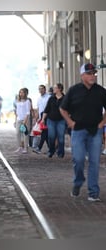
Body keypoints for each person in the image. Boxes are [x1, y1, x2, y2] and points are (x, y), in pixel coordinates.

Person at [60, 63, 106, 202]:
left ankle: (93, 192)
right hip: (78, 130)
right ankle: (78, 181)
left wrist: (102, 123)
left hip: (95, 131)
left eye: (94, 73)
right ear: (82, 75)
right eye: (89, 73)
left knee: (94, 161)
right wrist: (70, 122)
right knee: (78, 159)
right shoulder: (74, 91)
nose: (93, 76)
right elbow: (63, 109)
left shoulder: (100, 91)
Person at [41, 83, 66, 158]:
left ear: (59, 89)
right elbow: (47, 109)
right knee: (51, 136)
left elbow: (68, 109)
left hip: (61, 120)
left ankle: (61, 152)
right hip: (51, 120)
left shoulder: (65, 98)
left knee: (61, 137)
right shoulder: (51, 98)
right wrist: (43, 119)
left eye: (55, 88)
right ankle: (51, 151)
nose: (53, 89)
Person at [33, 84, 51, 154]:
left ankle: (39, 148)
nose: (41, 90)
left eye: (42, 89)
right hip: (42, 116)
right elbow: (38, 109)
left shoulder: (49, 97)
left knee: (44, 132)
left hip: (47, 115)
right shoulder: (39, 99)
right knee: (45, 133)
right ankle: (50, 149)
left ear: (45, 89)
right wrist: (38, 118)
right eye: (39, 89)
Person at [14, 88, 31, 154]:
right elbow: (17, 111)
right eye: (20, 92)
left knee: (25, 134)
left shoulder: (27, 101)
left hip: (25, 119)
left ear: (26, 93)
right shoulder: (18, 101)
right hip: (19, 119)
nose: (21, 94)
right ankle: (20, 147)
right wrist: (15, 120)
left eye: (22, 92)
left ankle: (25, 148)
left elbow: (28, 112)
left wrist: (25, 121)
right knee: (17, 133)